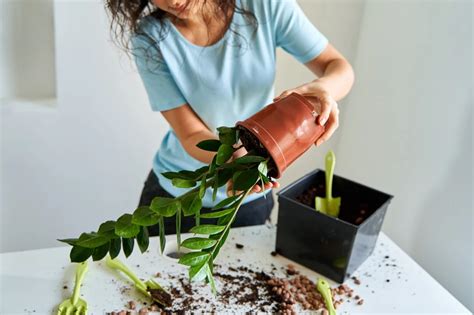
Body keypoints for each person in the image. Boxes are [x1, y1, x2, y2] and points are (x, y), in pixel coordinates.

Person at [105, 0, 354, 236]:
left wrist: (324, 89)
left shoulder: (265, 6)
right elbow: (191, 134)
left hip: (247, 201)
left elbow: (337, 66)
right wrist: (232, 157)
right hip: (174, 196)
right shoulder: (148, 38)